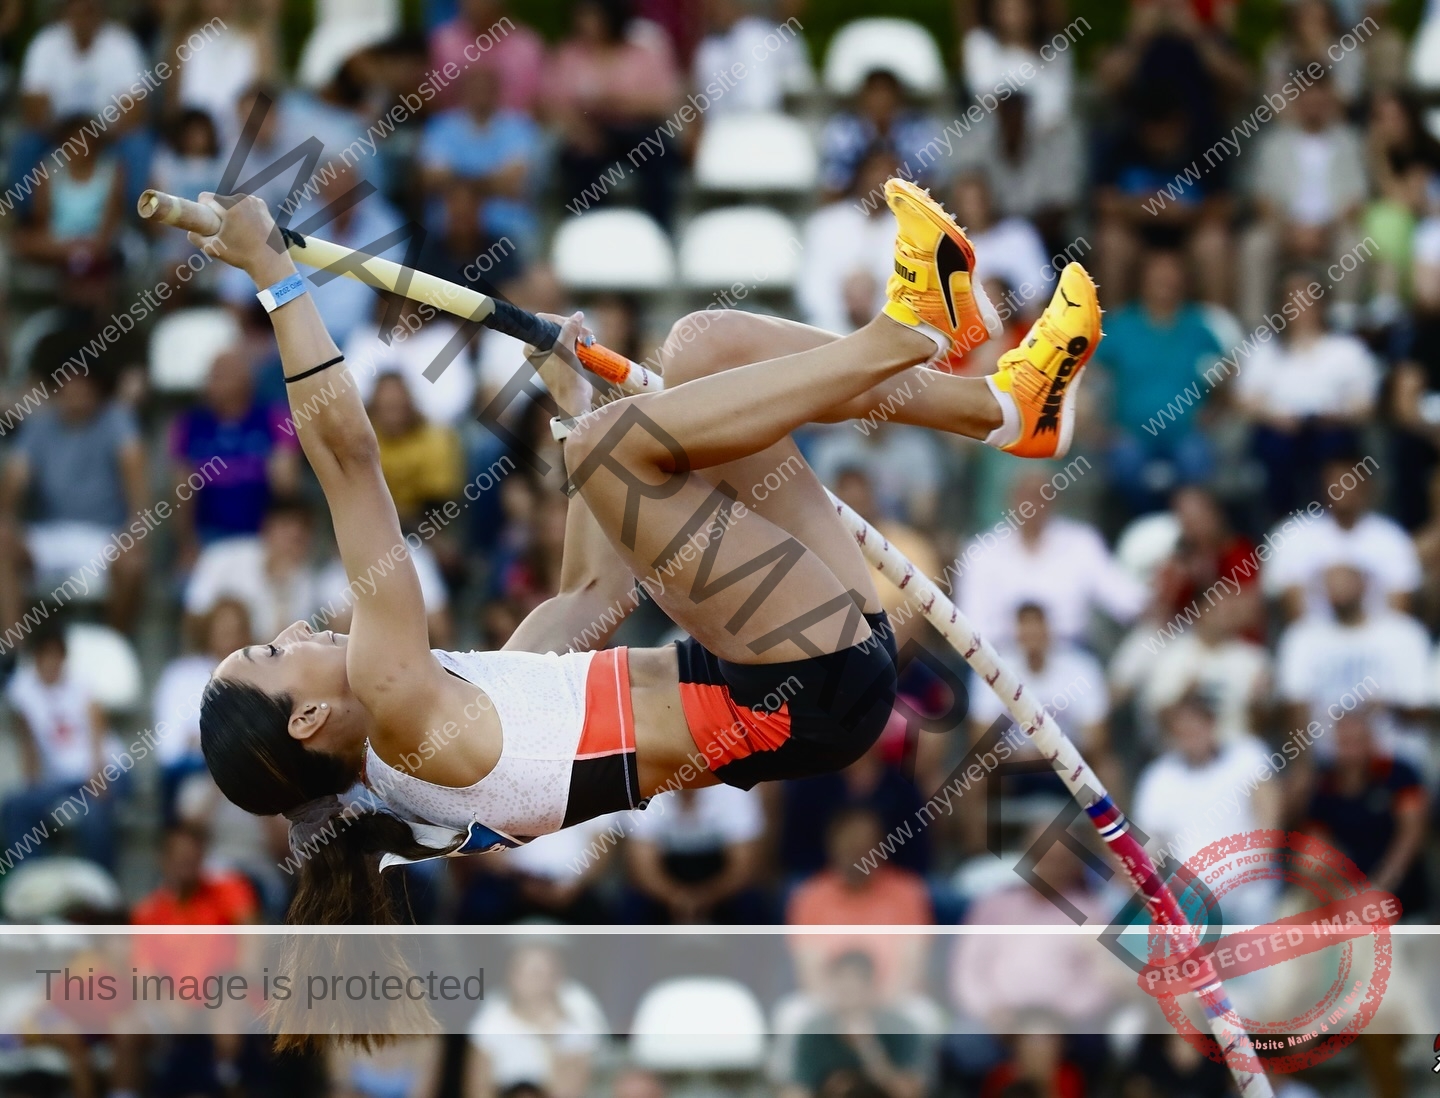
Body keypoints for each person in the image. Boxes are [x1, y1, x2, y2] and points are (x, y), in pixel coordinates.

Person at [189, 179, 1103, 941]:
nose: (295, 629)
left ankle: (1006, 409)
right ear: (309, 718)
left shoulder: (444, 738)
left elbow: (595, 591)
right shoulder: (394, 704)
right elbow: (348, 459)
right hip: (796, 683)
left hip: (805, 667)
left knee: (707, 347)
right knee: (609, 452)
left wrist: (570, 400)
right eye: (274, 655)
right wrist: (274, 273)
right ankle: (906, 331)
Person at [0, 366, 148, 636]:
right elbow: (15, 478)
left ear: (96, 392)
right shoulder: (39, 425)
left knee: (132, 563)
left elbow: (134, 474)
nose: (76, 396)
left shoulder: (116, 420)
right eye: (69, 390)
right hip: (48, 534)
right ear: (57, 392)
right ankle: (12, 655)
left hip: (103, 537)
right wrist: (9, 511)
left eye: (83, 390)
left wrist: (136, 529)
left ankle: (115, 646)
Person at [1237, 270, 1380, 517]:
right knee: (1277, 449)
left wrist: (1339, 415)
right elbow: (1246, 402)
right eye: (1293, 299)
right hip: (1280, 429)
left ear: (1322, 304)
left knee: (1334, 447)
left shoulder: (1347, 350)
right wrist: (1274, 418)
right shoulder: (1264, 350)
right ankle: (1282, 522)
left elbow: (1364, 403)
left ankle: (1330, 520)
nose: (1301, 307)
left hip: (1331, 428)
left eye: (1308, 299)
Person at [1095, 245, 1222, 514]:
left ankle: (1184, 527)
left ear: (1182, 282)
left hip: (1185, 433)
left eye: (1171, 277)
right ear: (1143, 281)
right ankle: (1145, 524)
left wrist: (1214, 411)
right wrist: (1097, 427)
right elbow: (1089, 374)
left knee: (1196, 459)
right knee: (1125, 462)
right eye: (1157, 276)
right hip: (1132, 433)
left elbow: (1224, 376)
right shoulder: (1122, 325)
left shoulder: (1198, 327)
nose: (1164, 283)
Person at [169, 348, 301, 559]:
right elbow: (181, 490)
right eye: (212, 376)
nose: (213, 382)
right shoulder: (189, 424)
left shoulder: (273, 417)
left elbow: (286, 485)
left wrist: (281, 537)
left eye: (223, 375)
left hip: (262, 535)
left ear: (246, 379)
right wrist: (187, 543)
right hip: (209, 536)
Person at [2, 621, 114, 868]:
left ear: (64, 657)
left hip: (99, 772)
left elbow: (97, 727)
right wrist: (31, 779)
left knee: (93, 817)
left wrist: (98, 771)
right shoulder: (22, 691)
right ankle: (30, 881)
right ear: (36, 657)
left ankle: (103, 890)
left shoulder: (82, 683)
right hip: (59, 781)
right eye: (45, 655)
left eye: (56, 655)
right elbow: (27, 738)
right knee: (15, 807)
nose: (51, 662)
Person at [1262, 454, 1421, 621]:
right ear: (1322, 486)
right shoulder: (1292, 534)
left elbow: (1400, 609)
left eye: (1349, 480)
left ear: (1367, 485)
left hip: (1377, 636)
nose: (1342, 488)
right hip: (1315, 636)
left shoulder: (1392, 537)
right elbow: (1291, 610)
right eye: (1334, 480)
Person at [1305, 709, 1428, 918]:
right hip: (1350, 896)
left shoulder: (1399, 774)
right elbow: (1315, 845)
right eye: (1344, 743)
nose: (1351, 751)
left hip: (1401, 895)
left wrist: (1380, 887)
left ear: (1371, 741)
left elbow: (1412, 834)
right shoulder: (1324, 784)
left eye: (1357, 742)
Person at [465, 944, 606, 1098]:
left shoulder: (577, 1020)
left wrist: (550, 1039)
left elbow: (569, 1091)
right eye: (526, 972)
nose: (535, 981)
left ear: (558, 978)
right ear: (510, 975)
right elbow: (477, 1089)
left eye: (542, 973)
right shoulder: (490, 1018)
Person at [783, 951, 928, 1098]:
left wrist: (869, 1047)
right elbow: (797, 1088)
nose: (848, 999)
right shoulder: (815, 1031)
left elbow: (910, 1092)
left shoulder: (899, 1028)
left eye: (854, 989)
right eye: (842, 989)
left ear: (871, 988)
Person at [621, 785, 767, 923]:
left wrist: (706, 897)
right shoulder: (650, 790)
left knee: (750, 905)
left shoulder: (734, 790)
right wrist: (676, 898)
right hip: (666, 880)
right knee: (633, 907)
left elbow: (743, 867)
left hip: (719, 880)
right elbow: (643, 867)